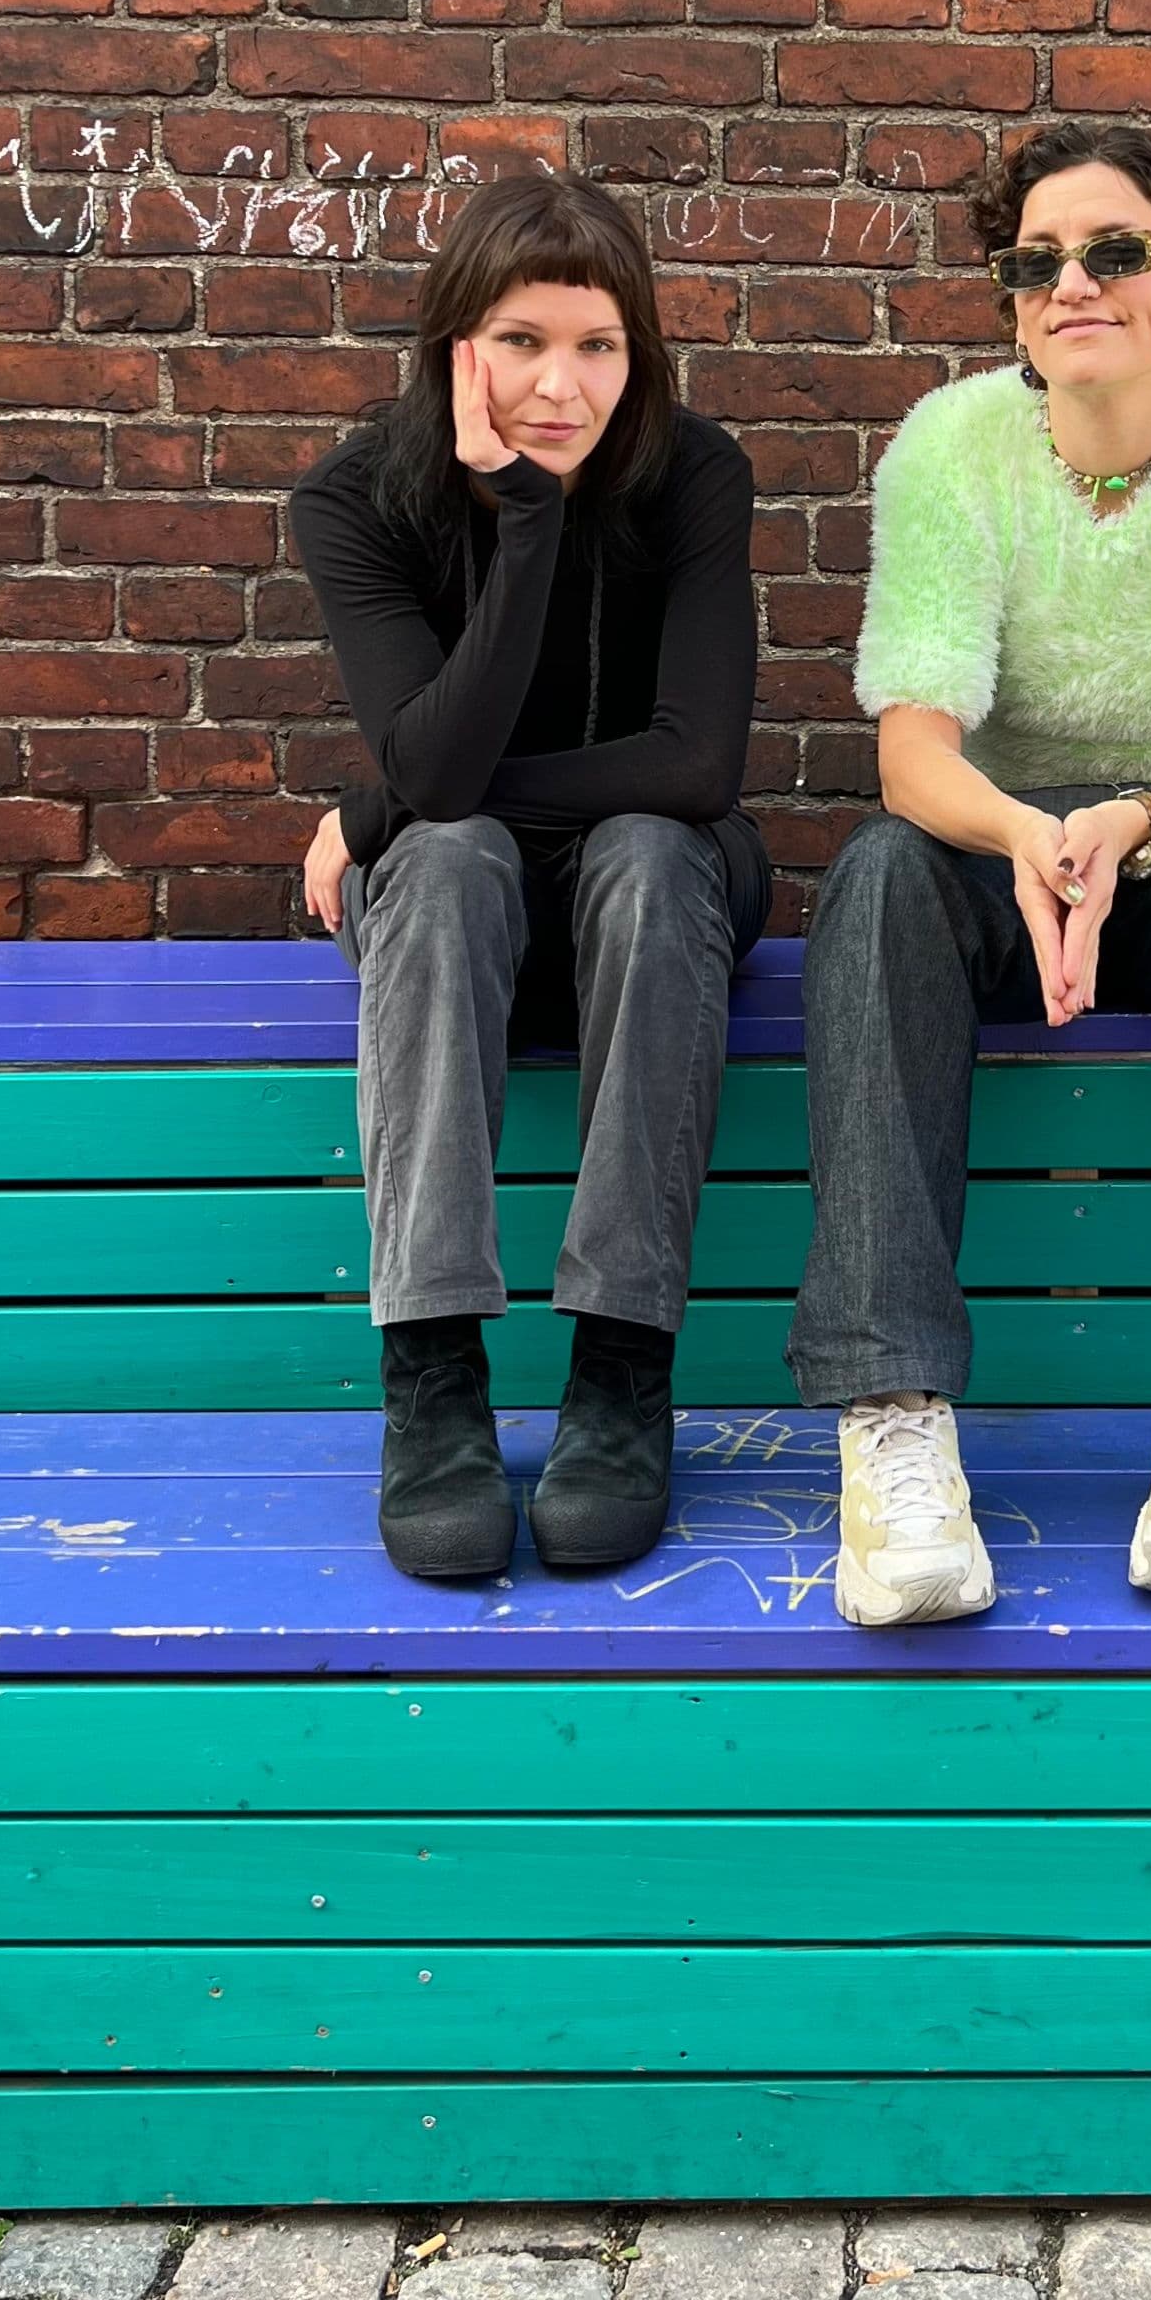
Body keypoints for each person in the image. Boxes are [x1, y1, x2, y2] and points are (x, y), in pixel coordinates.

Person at [788, 120, 1151, 1627]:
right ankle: (892, 1421)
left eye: (1115, 251)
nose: (1072, 283)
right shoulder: (950, 446)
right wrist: (1026, 839)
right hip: (1009, 849)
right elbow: (912, 756)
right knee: (877, 878)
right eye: (1036, 261)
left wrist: (1134, 824)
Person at [292, 169, 768, 1586]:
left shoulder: (694, 474)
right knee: (448, 861)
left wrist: (373, 802)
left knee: (641, 848)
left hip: (657, 897)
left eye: (597, 345)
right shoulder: (355, 500)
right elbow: (442, 788)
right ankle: (432, 1377)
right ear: (457, 347)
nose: (562, 385)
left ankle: (621, 1372)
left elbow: (696, 767)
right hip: (451, 913)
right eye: (521, 341)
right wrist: (522, 522)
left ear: (638, 353)